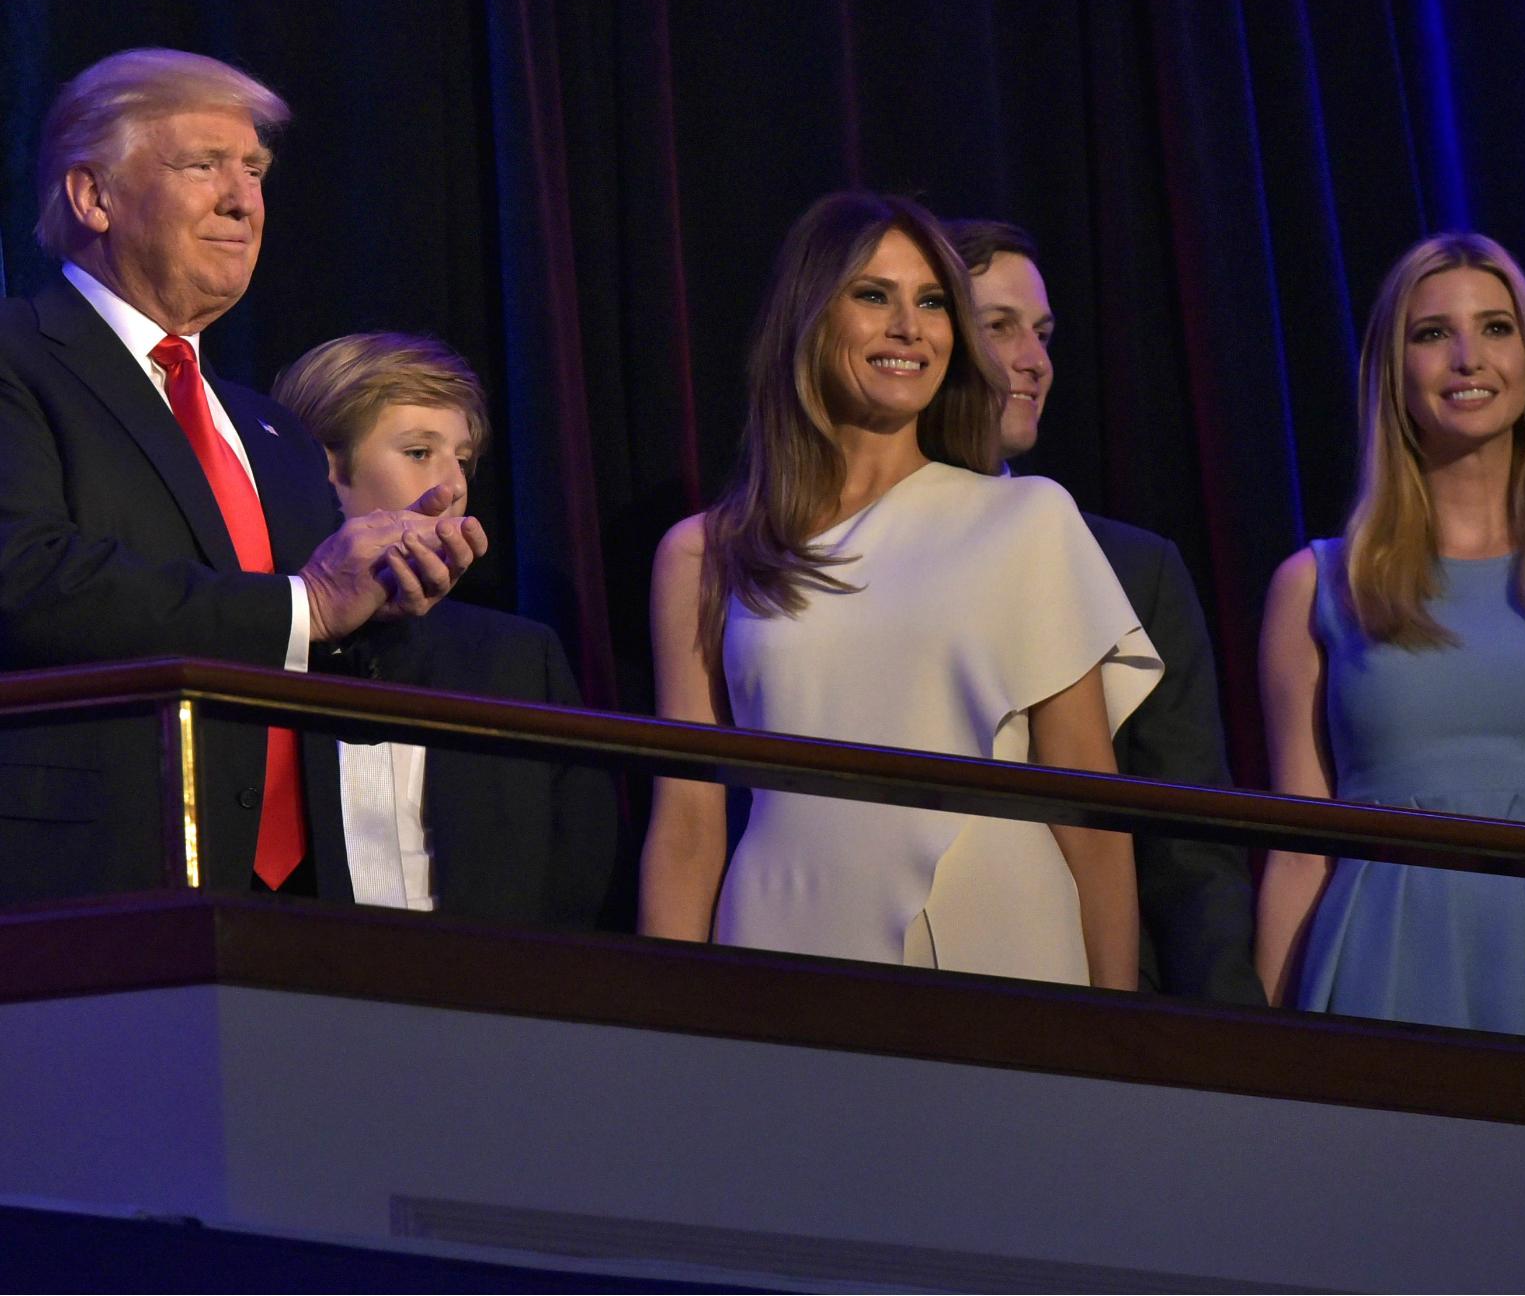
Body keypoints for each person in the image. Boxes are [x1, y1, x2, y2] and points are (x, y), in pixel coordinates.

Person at [0, 48, 484, 905]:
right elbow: (26, 578)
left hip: (297, 904)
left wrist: (385, 602)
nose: (242, 198)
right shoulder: (19, 359)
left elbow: (309, 645)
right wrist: (310, 605)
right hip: (87, 885)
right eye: (202, 166)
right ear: (93, 196)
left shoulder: (269, 429)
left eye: (254, 170)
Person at [639, 191, 1160, 987]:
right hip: (784, 943)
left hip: (1001, 947)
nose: (909, 327)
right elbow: (687, 820)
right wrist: (662, 1015)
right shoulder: (706, 555)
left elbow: (1086, 807)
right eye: (873, 296)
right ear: (810, 316)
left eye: (932, 303)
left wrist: (1121, 1039)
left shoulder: (1025, 520)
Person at [1255, 231, 1525, 1043]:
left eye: (1496, 328)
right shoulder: (1317, 585)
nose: (1468, 356)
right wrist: (1266, 1054)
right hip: (1375, 966)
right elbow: (1297, 852)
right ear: (1397, 377)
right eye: (1432, 334)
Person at [947, 217, 1263, 1005]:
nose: (1035, 362)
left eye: (1044, 334)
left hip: (1079, 1005)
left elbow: (1191, 849)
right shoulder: (833, 549)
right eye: (1000, 328)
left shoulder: (1131, 568)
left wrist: (1222, 1043)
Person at [271, 333, 617, 927]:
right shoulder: (262, 640)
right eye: (418, 452)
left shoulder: (516, 658)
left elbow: (575, 874)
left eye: (462, 457)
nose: (453, 486)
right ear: (325, 469)